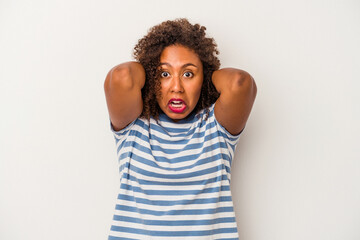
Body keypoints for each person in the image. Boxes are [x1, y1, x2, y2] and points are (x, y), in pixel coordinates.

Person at [104, 18, 257, 240]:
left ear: (202, 78)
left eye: (188, 74)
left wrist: (204, 74)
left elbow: (240, 83)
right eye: (164, 74)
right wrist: (152, 71)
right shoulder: (133, 126)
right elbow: (122, 77)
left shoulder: (215, 128)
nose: (176, 87)